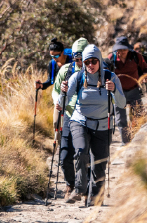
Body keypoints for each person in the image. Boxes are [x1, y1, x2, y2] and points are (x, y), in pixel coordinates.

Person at [59, 44, 126, 205]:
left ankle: (95, 198)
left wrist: (115, 89)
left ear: (99, 61)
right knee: (81, 151)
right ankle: (80, 187)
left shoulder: (111, 77)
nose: (90, 65)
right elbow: (63, 103)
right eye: (87, 61)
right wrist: (63, 92)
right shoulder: (77, 77)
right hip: (80, 121)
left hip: (103, 125)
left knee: (99, 163)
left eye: (94, 61)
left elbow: (122, 104)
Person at [51, 37, 88, 199]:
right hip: (68, 114)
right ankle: (70, 185)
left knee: (83, 154)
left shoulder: (96, 70)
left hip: (88, 117)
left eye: (82, 58)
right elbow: (55, 90)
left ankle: (84, 187)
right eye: (76, 58)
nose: (79, 61)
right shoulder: (66, 70)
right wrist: (57, 101)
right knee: (65, 154)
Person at [104, 36, 147, 145]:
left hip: (134, 90)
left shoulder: (136, 56)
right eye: (119, 50)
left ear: (128, 48)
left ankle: (137, 139)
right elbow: (105, 72)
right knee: (120, 119)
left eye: (124, 49)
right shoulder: (111, 58)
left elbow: (145, 69)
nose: (121, 52)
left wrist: (145, 77)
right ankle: (126, 142)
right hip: (118, 92)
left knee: (139, 115)